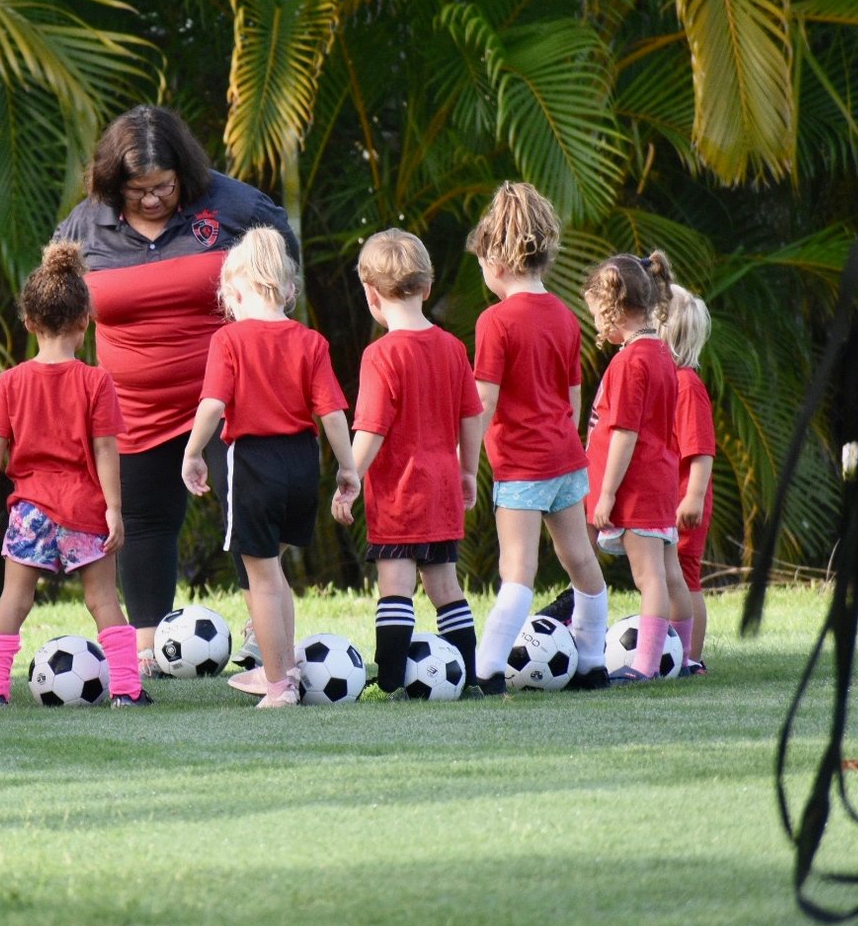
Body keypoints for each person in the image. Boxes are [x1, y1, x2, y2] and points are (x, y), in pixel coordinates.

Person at [53, 105, 298, 675]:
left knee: (248, 515)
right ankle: (146, 653)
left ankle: (268, 643)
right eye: (138, 190)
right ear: (113, 183)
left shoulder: (237, 207)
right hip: (131, 408)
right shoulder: (84, 226)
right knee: (143, 521)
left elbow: (285, 282)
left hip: (231, 402)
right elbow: (56, 307)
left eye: (164, 186)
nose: (153, 199)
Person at [178, 229, 359, 708]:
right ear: (288, 289)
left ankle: (279, 683)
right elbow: (333, 414)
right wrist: (348, 469)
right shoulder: (310, 341)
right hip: (302, 462)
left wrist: (193, 452)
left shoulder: (230, 339)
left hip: (253, 463)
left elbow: (215, 403)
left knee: (259, 576)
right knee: (273, 569)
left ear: (234, 292)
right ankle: (284, 666)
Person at [0, 242, 148, 707]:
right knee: (103, 601)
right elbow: (106, 448)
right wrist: (114, 508)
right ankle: (127, 689)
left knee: (15, 601)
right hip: (85, 508)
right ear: (84, 322)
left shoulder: (11, 381)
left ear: (29, 323)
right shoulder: (96, 381)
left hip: (29, 510)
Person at [462, 183, 611, 694]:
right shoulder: (566, 317)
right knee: (581, 563)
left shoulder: (494, 322)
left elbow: (484, 402)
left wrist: (467, 467)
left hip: (521, 470)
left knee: (517, 572)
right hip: (567, 462)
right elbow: (573, 401)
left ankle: (486, 672)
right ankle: (593, 664)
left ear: (496, 260)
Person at [337, 230, 483, 698]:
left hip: (400, 489)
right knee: (445, 585)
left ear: (370, 294)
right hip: (442, 485)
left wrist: (349, 479)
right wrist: (468, 471)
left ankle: (394, 680)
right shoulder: (453, 349)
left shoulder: (381, 354)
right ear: (427, 287)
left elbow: (372, 429)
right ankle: (472, 674)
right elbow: (471, 416)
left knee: (395, 586)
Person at [581, 252, 695, 683]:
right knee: (669, 574)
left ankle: (644, 666)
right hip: (660, 482)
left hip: (637, 486)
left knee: (650, 578)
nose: (596, 325)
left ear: (614, 308)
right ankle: (682, 658)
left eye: (596, 314)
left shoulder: (631, 362)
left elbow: (625, 432)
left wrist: (607, 493)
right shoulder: (662, 353)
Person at [663, 284, 715, 675]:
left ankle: (690, 657)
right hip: (668, 499)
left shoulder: (686, 385)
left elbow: (701, 450)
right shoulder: (669, 382)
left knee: (685, 574)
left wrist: (693, 496)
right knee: (669, 575)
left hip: (685, 500)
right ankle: (673, 649)